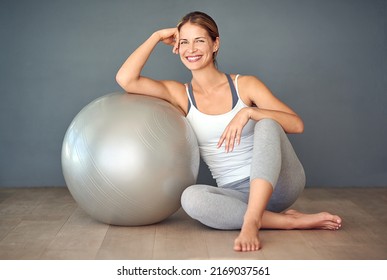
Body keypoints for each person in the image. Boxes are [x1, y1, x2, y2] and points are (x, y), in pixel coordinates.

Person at [116, 11, 342, 252]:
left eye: (199, 40)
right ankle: (287, 221)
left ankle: (252, 222)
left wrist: (249, 113)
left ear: (215, 44)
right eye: (184, 42)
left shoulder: (245, 85)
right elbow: (126, 79)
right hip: (234, 195)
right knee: (190, 198)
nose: (191, 48)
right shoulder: (180, 94)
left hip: (280, 184)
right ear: (177, 47)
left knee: (267, 123)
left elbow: (297, 124)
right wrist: (156, 36)